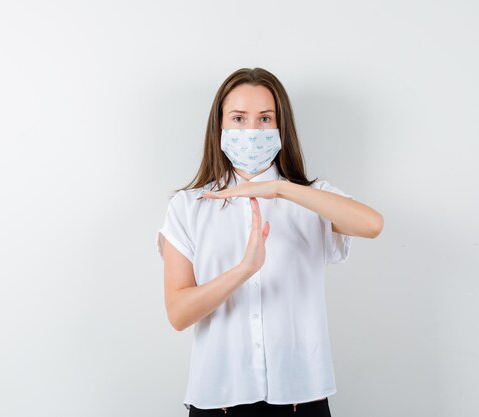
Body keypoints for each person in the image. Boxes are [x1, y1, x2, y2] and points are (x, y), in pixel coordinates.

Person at [156, 67, 384, 416]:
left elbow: (372, 224)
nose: (252, 131)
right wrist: (244, 270)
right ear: (220, 127)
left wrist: (279, 188)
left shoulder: (312, 198)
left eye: (265, 119)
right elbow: (179, 313)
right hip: (219, 401)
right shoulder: (189, 207)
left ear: (281, 128)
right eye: (238, 118)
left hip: (300, 399)